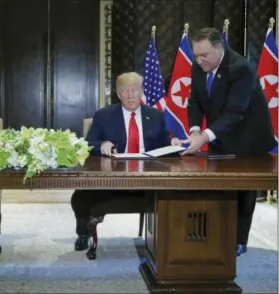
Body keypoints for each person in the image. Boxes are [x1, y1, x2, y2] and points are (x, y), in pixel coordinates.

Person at [181, 28, 276, 256]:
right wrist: (195, 130)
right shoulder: (198, 66)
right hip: (219, 133)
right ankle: (211, 234)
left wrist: (205, 136)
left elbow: (235, 112)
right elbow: (194, 100)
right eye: (196, 55)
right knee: (216, 185)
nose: (199, 60)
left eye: (204, 55)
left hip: (248, 137)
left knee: (243, 189)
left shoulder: (240, 68)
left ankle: (238, 241)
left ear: (219, 47)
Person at [71, 72, 180, 251]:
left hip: (149, 178)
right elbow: (89, 143)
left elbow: (163, 140)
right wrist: (103, 144)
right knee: (80, 195)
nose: (130, 96)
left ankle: (170, 238)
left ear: (141, 92)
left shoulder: (155, 115)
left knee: (178, 192)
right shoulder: (104, 115)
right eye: (125, 91)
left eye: (135, 91)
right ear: (118, 93)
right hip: (114, 178)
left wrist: (172, 142)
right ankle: (83, 233)